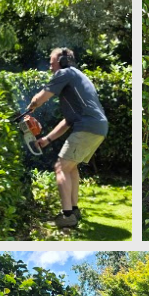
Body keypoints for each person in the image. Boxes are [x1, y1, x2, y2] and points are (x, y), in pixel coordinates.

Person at [26, 47, 109, 228]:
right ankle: (74, 210)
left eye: (52, 62)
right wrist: (47, 139)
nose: (50, 67)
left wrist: (29, 108)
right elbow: (68, 121)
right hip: (97, 127)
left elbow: (39, 99)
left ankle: (67, 216)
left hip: (88, 126)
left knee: (60, 167)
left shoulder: (65, 73)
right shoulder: (77, 77)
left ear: (62, 61)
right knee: (70, 168)